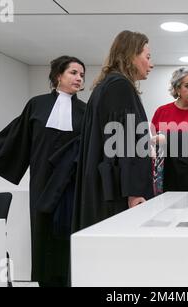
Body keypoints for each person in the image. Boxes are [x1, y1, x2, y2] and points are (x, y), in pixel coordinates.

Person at [0, 55, 87, 287]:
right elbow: (17, 135)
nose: (79, 78)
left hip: (71, 184)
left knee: (67, 232)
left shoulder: (86, 111)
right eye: (73, 73)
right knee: (42, 234)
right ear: (58, 76)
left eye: (82, 75)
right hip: (42, 182)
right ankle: (45, 282)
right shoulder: (37, 104)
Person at [72, 30, 154, 232]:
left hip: (104, 186)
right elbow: (126, 143)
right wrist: (134, 192)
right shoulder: (120, 87)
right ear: (131, 55)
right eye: (147, 56)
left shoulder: (105, 86)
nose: (151, 64)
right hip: (117, 193)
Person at [151, 67, 188, 208]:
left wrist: (166, 139)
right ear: (177, 88)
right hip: (164, 179)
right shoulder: (161, 111)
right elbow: (153, 143)